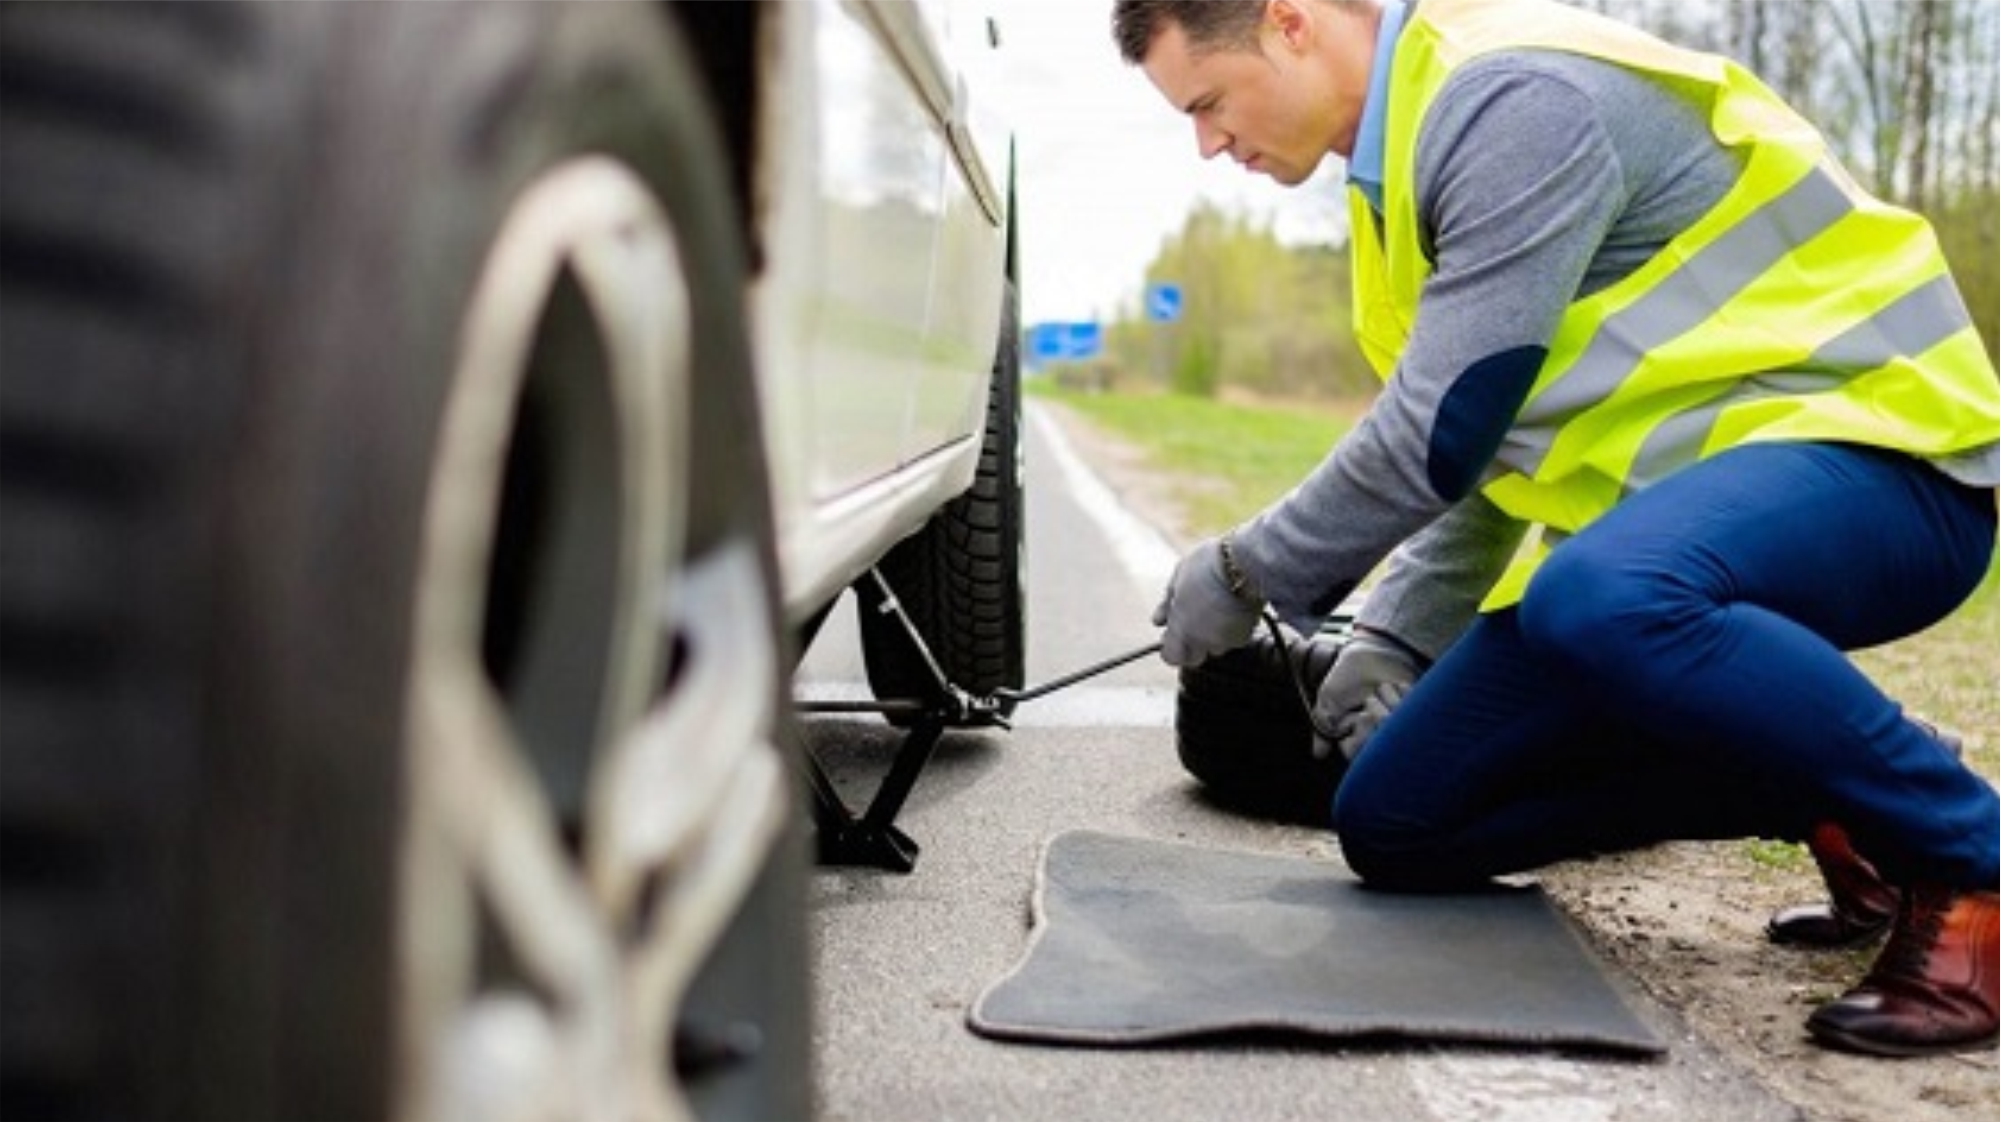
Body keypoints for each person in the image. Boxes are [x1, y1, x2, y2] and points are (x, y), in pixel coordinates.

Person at [1117, 0, 2000, 1057]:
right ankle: (1838, 791)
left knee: (1597, 594)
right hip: (1684, 543)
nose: (1208, 142)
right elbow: (1491, 451)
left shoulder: (1509, 100)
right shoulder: (1389, 190)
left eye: (1208, 103)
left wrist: (1249, 570)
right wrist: (1394, 636)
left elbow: (1437, 429)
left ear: (1291, 23)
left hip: (1892, 463)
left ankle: (1970, 858)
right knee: (1396, 818)